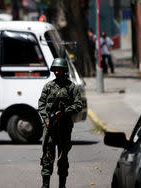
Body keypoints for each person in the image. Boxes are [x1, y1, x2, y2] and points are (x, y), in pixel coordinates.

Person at [38, 58, 83, 188]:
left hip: (64, 127)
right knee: (47, 155)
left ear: (64, 71)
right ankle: (45, 184)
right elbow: (41, 104)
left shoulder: (71, 87)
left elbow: (79, 104)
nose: (57, 72)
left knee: (63, 157)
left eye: (59, 70)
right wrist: (46, 120)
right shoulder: (48, 86)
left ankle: (62, 185)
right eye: (55, 70)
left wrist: (65, 112)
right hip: (50, 127)